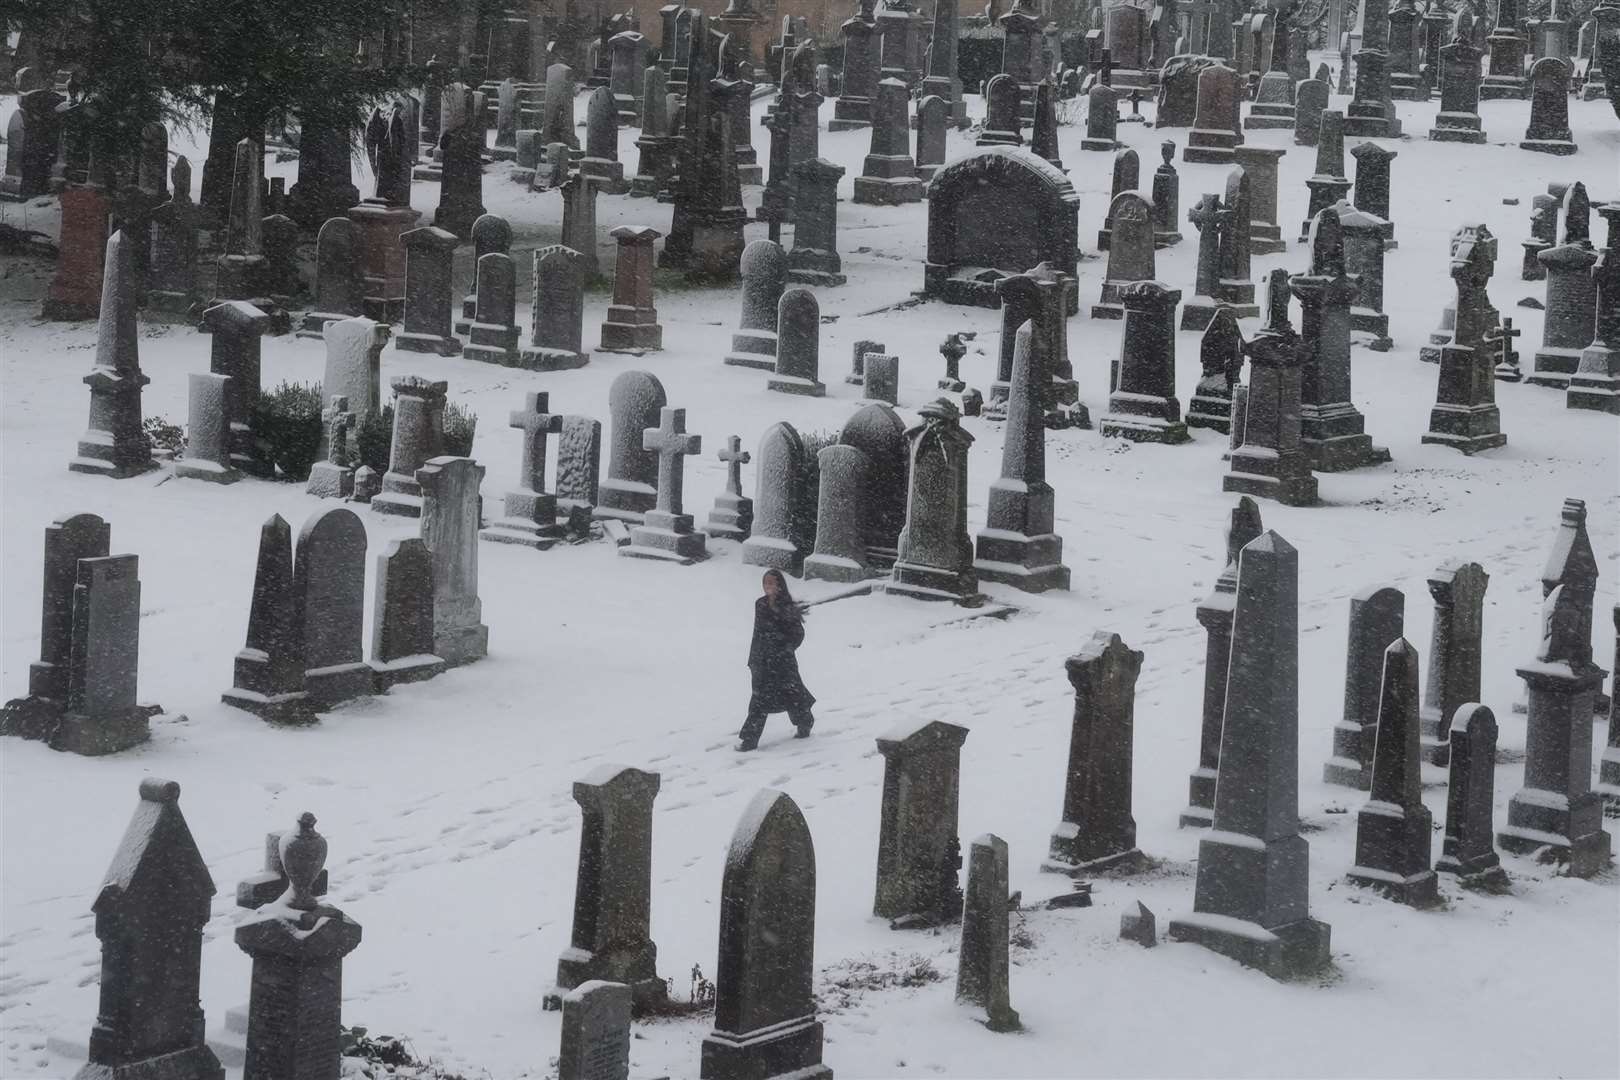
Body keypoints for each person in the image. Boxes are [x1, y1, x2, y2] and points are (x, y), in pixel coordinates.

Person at [737, 569, 816, 751]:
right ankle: (750, 739)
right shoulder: (760, 605)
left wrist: (786, 648)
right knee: (759, 699)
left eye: (772, 583)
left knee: (793, 694)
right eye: (765, 583)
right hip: (763, 661)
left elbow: (798, 634)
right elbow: (758, 633)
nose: (768, 586)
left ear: (780, 586)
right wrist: (754, 660)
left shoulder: (787, 607)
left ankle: (805, 722)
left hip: (784, 662)